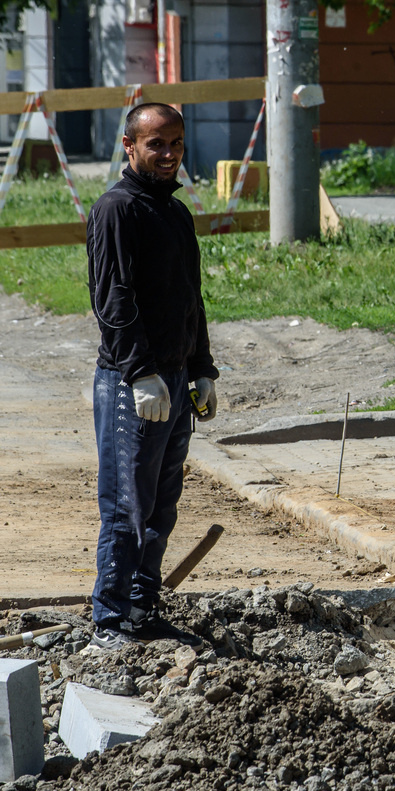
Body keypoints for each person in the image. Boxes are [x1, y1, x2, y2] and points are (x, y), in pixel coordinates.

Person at [87, 102, 218, 650]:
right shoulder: (117, 210)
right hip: (131, 383)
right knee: (126, 504)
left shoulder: (175, 213)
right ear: (129, 146)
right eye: (155, 144)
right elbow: (112, 300)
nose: (167, 155)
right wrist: (140, 373)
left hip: (174, 380)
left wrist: (202, 367)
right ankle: (110, 618)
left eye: (176, 144)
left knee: (161, 503)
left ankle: (143, 609)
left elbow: (191, 299)